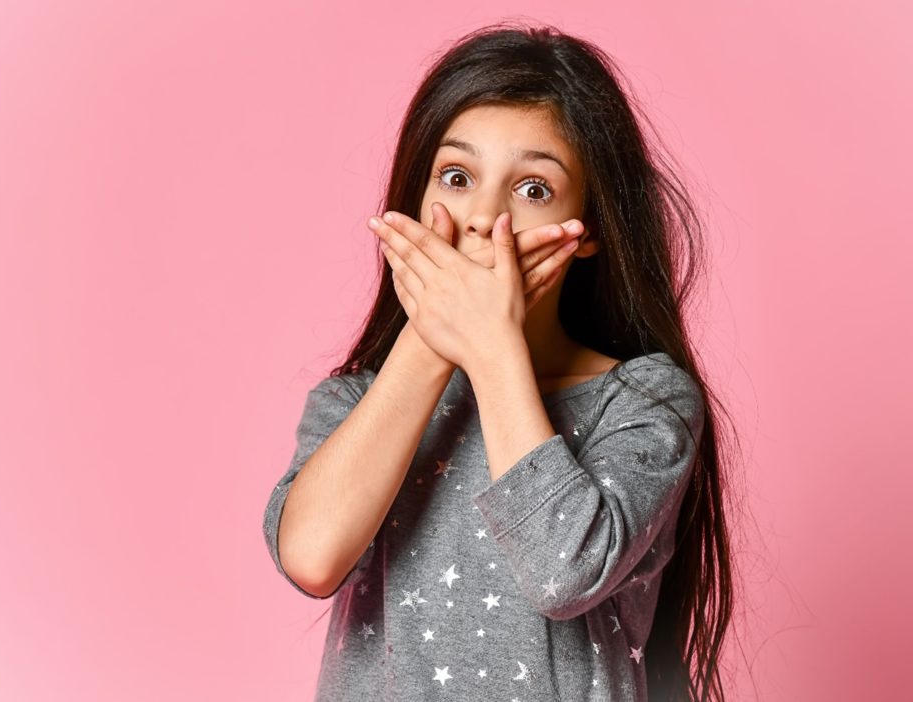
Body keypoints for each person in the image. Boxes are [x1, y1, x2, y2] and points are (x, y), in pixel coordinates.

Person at [263, 22, 736, 702]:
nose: (485, 216)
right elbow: (311, 557)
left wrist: (491, 347)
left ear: (590, 230)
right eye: (457, 177)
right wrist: (431, 340)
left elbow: (563, 572)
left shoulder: (643, 402)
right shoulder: (352, 405)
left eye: (534, 189)